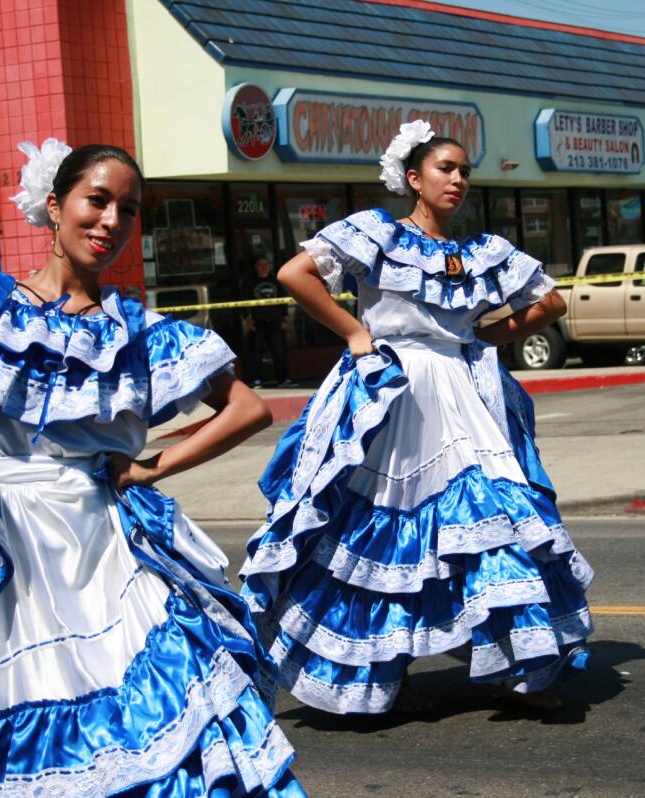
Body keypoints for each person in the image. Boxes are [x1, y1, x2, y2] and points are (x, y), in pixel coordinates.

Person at [0, 139, 306, 796]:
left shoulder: (138, 333)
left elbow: (246, 409)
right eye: (98, 200)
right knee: (16, 706)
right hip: (6, 548)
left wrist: (149, 468)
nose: (112, 220)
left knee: (163, 705)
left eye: (129, 210)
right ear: (54, 206)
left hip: (102, 539)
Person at [239, 121, 594, 715]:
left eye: (463, 171)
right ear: (413, 178)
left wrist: (488, 337)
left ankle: (519, 666)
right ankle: (373, 673)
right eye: (444, 169)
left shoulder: (481, 251)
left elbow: (550, 302)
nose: (457, 180)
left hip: (464, 389)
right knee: (373, 531)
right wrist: (356, 332)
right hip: (392, 390)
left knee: (492, 515)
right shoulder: (376, 233)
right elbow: (293, 275)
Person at [242, 256, 295, 388]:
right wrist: (247, 319)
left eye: (266, 264)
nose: (264, 267)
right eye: (261, 264)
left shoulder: (276, 281)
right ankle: (257, 380)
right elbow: (243, 301)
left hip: (275, 320)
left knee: (279, 351)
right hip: (257, 321)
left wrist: (285, 318)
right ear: (256, 266)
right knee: (256, 352)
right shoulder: (249, 282)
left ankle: (283, 380)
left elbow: (283, 300)